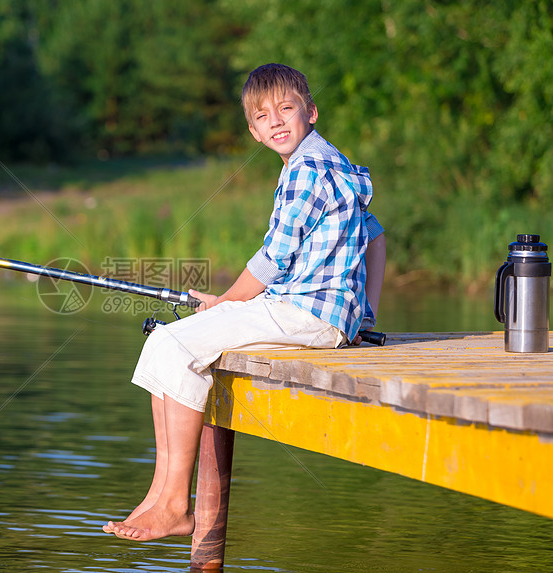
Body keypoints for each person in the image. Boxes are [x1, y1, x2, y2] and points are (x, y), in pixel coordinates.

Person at [103, 63, 386, 542]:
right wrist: (364, 314)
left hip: (305, 312)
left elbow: (274, 258)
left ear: (310, 112)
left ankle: (175, 505)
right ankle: (157, 494)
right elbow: (375, 237)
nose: (275, 120)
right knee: (163, 344)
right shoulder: (333, 163)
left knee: (174, 345)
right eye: (262, 115)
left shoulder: (308, 171)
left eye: (286, 108)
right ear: (253, 132)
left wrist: (225, 303)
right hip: (315, 314)